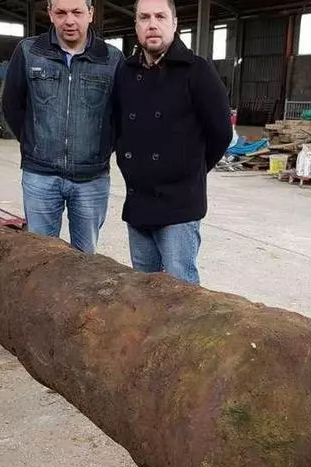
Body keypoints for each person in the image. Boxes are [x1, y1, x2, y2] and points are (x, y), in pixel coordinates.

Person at [113, 0, 232, 285]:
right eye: (144, 17)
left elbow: (221, 133)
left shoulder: (197, 70)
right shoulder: (126, 72)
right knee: (143, 289)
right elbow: (118, 125)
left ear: (175, 23)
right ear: (136, 25)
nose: (152, 24)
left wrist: (190, 170)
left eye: (160, 17)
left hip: (179, 205)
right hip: (138, 202)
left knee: (181, 291)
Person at [3, 0, 123, 254]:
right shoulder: (29, 52)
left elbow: (121, 114)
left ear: (91, 13)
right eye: (61, 12)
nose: (69, 20)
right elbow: (12, 105)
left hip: (91, 179)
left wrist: (101, 150)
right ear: (50, 14)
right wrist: (34, 143)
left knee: (85, 258)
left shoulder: (111, 59)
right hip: (40, 176)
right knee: (40, 256)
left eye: (77, 12)